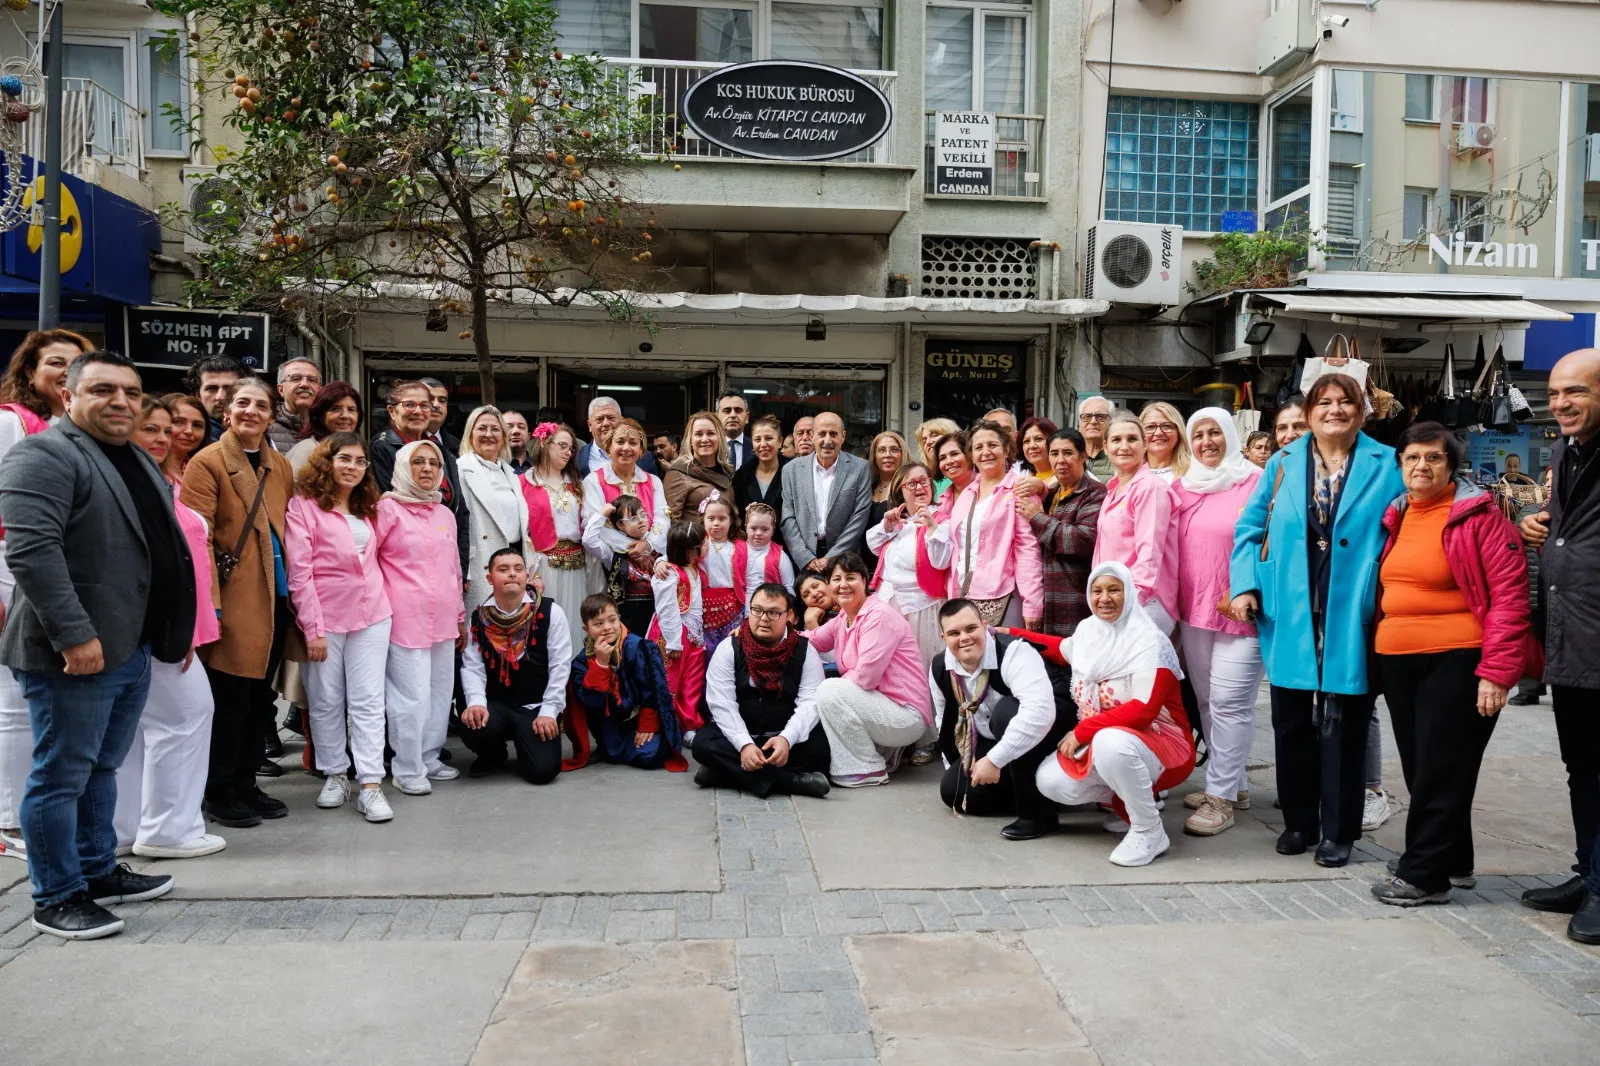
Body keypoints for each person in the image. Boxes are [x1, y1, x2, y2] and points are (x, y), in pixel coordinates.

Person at [0, 350, 194, 938]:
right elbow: (32, 551)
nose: (121, 402)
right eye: (104, 390)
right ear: (68, 396)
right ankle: (56, 895)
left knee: (100, 768)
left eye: (132, 393)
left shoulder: (131, 454)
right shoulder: (44, 453)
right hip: (76, 653)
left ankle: (95, 868)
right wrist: (75, 635)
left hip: (129, 645)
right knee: (61, 774)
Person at [1229, 373, 1404, 868]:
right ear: (1308, 412)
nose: (1333, 410)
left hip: (1355, 609)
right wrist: (1245, 583)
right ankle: (1300, 821)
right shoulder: (1283, 463)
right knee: (1290, 720)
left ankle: (1340, 830)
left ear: (1362, 411)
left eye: (1344, 402)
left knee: (1345, 724)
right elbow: (1250, 527)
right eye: (1323, 402)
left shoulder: (1387, 463)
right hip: (1291, 605)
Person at [1370, 423, 1538, 906]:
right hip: (1401, 662)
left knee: (1442, 767)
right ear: (1400, 465)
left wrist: (1497, 672)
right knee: (1426, 767)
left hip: (1459, 659)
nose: (1421, 466)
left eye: (1434, 458)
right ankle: (1453, 860)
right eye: (1412, 458)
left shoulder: (1482, 520)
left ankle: (1425, 875)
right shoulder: (1396, 515)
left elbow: (1510, 599)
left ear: (1452, 466)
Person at [180, 377, 299, 830]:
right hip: (233, 601)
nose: (252, 411)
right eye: (242, 403)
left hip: (275, 598)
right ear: (226, 413)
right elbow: (199, 540)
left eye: (261, 405)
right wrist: (211, 606)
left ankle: (247, 782)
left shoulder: (279, 466)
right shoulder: (207, 463)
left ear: (271, 415)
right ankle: (220, 788)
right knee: (228, 700)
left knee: (257, 700)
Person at [112, 398, 225, 860]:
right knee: (186, 717)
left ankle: (126, 829)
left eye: (169, 428)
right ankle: (168, 831)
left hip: (175, 626)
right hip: (157, 629)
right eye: (152, 428)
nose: (162, 437)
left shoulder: (164, 481)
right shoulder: (127, 483)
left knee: (138, 731)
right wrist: (169, 628)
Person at [1516, 347, 1600, 941]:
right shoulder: (1567, 452)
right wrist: (1540, 520)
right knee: (1581, 769)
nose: (1562, 403)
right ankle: (1588, 870)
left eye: (1578, 392)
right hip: (1573, 639)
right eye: (1556, 393)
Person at [1035, 563, 1196, 868]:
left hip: (1163, 742)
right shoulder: (1089, 632)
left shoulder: (1148, 640)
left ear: (1129, 593)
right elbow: (1059, 649)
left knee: (1110, 742)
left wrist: (1083, 731)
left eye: (1113, 589)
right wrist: (1005, 635)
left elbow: (1144, 710)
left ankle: (1149, 831)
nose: (1104, 598)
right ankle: (1129, 803)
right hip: (1115, 740)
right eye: (1097, 591)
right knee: (1050, 781)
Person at [0, 328, 90, 864]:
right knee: (13, 704)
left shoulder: (67, 431)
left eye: (75, 363)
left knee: (39, 709)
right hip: (13, 573)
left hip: (57, 577)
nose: (64, 372)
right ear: (30, 372)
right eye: (54, 362)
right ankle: (11, 820)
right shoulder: (12, 423)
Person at [285, 434, 395, 823]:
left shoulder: (372, 507)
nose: (352, 466)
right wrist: (312, 628)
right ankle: (334, 773)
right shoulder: (304, 507)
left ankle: (370, 783)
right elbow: (299, 573)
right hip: (325, 618)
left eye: (360, 461)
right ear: (326, 461)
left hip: (373, 614)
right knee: (327, 700)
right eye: (344, 458)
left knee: (367, 700)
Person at [1171, 408, 1263, 836]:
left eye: (1214, 433)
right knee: (1207, 701)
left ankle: (1219, 797)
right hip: (1194, 611)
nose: (1206, 442)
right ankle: (1235, 784)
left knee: (1230, 704)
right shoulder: (1182, 487)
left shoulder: (1255, 482)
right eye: (1198, 434)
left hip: (1240, 611)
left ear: (1230, 434)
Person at [932, 599, 1073, 840]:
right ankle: (1045, 793)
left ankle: (1037, 814)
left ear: (985, 626)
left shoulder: (1014, 652)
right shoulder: (940, 666)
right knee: (954, 791)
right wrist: (958, 766)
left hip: (1053, 725)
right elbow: (944, 721)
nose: (964, 637)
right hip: (996, 737)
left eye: (971, 629)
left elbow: (1039, 713)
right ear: (944, 638)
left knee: (1006, 714)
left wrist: (995, 761)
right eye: (954, 633)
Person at [374, 439, 465, 796]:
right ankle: (407, 766)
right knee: (409, 697)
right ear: (401, 467)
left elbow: (454, 569)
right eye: (418, 462)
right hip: (404, 618)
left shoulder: (444, 513)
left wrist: (460, 615)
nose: (426, 469)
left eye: (433, 462)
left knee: (439, 692)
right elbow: (370, 562)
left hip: (443, 618)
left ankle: (429, 756)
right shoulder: (387, 510)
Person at [694, 582, 831, 797]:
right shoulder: (729, 648)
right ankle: (791, 782)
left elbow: (810, 703)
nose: (764, 618)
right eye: (757, 610)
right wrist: (744, 745)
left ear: (789, 615)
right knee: (703, 744)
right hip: (742, 733)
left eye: (774, 612)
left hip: (783, 737)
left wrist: (786, 739)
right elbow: (722, 703)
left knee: (820, 750)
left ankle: (726, 774)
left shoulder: (805, 651)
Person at [808, 553, 932, 786]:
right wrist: (773, 635)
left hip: (905, 715)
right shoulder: (845, 617)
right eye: (836, 579)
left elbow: (865, 678)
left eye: (850, 578)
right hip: (881, 707)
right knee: (831, 689)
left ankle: (866, 767)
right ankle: (867, 759)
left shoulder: (878, 616)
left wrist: (836, 689)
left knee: (829, 689)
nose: (843, 585)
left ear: (865, 581)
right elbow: (812, 640)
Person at [459, 549, 573, 783]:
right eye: (503, 569)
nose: (512, 574)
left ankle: (527, 743)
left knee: (543, 771)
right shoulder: (479, 618)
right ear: (490, 579)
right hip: (497, 705)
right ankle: (493, 754)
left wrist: (549, 712)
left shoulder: (550, 612)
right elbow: (472, 667)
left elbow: (560, 666)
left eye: (518, 569)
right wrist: (477, 704)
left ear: (526, 575)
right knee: (472, 718)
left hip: (534, 706)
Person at [943, 420, 1045, 630]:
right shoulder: (967, 494)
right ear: (971, 454)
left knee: (1000, 659)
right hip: (962, 593)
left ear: (1006, 449)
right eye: (978, 447)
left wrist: (1032, 603)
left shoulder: (1019, 489)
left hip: (1003, 595)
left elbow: (1027, 550)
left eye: (993, 445)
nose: (986, 452)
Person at [568, 593, 685, 771]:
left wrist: (647, 725)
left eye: (612, 620)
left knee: (648, 755)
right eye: (598, 624)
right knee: (613, 752)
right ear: (586, 629)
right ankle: (612, 746)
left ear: (619, 618)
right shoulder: (582, 661)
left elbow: (653, 689)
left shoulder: (639, 647)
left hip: (640, 715)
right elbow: (592, 702)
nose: (607, 628)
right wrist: (600, 664)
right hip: (609, 720)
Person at [1092, 412, 1179, 634]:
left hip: (1142, 603)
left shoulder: (1150, 487)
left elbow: (1149, 555)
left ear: (1145, 443)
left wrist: (1133, 600)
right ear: (1105, 445)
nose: (1124, 446)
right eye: (1116, 440)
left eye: (1132, 439)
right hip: (1113, 600)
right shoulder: (1113, 489)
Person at [1016, 428, 1106, 639]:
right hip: (1046, 599)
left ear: (1082, 456)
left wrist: (1037, 518)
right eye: (1054, 453)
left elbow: (1083, 540)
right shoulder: (1050, 493)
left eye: (1068, 453)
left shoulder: (1094, 492)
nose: (1060, 460)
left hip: (1075, 598)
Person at [370, 379, 468, 570]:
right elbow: (393, 504)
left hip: (444, 554)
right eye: (409, 405)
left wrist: (462, 566)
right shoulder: (382, 448)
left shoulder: (441, 451)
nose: (418, 411)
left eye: (424, 405)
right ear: (392, 411)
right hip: (405, 558)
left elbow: (460, 511)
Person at [867, 463, 951, 661]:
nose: (920, 487)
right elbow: (873, 545)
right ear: (900, 490)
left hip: (921, 608)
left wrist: (931, 527)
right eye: (912, 484)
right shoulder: (899, 519)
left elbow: (941, 562)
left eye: (924, 481)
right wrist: (887, 526)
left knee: (921, 666)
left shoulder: (941, 519)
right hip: (887, 604)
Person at [517, 420, 588, 652]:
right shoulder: (525, 483)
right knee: (546, 627)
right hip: (543, 566)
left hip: (578, 566)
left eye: (571, 449)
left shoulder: (577, 485)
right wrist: (531, 570)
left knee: (575, 625)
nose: (568, 452)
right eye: (563, 446)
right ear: (545, 443)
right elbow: (522, 532)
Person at [457, 406, 533, 614]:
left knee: (511, 628)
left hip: (513, 560)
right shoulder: (460, 469)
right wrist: (464, 572)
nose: (489, 435)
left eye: (495, 429)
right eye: (482, 428)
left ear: (503, 436)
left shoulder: (509, 472)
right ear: (470, 434)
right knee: (482, 630)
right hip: (481, 563)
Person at [780, 412, 873, 575]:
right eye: (822, 434)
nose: (828, 441)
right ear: (813, 436)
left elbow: (860, 516)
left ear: (843, 437)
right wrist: (805, 558)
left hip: (845, 561)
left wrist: (832, 558)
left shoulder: (860, 468)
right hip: (805, 562)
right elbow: (788, 517)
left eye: (834, 434)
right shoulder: (791, 470)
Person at [583, 416, 670, 590]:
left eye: (633, 443)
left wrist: (648, 545)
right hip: (608, 561)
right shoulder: (594, 481)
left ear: (642, 449)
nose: (626, 448)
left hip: (651, 561)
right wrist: (635, 551)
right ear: (608, 447)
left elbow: (662, 519)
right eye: (620, 442)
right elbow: (595, 523)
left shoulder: (653, 481)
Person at [651, 521, 708, 737]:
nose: (706, 546)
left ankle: (689, 723)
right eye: (701, 544)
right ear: (687, 550)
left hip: (694, 633)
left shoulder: (693, 565)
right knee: (670, 678)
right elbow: (667, 609)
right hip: (675, 632)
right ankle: (665, 725)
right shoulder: (669, 574)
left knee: (692, 679)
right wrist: (674, 641)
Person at [601, 496, 659, 635]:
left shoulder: (657, 543)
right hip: (629, 616)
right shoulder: (614, 551)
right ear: (620, 525)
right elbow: (589, 540)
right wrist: (601, 515)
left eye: (642, 515)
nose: (640, 520)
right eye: (633, 518)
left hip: (657, 613)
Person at [665, 411, 734, 522]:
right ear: (690, 440)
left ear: (719, 438)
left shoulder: (726, 472)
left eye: (711, 433)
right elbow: (671, 523)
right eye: (699, 434)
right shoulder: (678, 473)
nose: (705, 439)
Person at [287, 382, 363, 474]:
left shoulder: (357, 452)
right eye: (335, 409)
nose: (345, 416)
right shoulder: (307, 450)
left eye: (351, 410)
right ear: (320, 415)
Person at [732, 414, 787, 541]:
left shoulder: (792, 471)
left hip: (785, 547)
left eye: (768, 438)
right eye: (757, 439)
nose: (763, 444)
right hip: (750, 547)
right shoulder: (742, 475)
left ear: (780, 441)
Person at [576, 396, 660, 478]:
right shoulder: (576, 458)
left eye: (611, 418)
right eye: (599, 419)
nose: (606, 423)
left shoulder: (645, 458)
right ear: (590, 425)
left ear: (621, 421)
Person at [863, 431, 908, 572]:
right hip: (864, 566)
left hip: (894, 570)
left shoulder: (907, 488)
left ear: (903, 454)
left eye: (894, 449)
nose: (887, 454)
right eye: (881, 450)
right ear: (874, 456)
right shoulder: (867, 487)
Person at [736, 503, 795, 606]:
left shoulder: (780, 556)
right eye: (753, 528)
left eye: (765, 529)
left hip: (771, 609)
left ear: (773, 530)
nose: (758, 533)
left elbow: (789, 589)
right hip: (740, 610)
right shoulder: (736, 552)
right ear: (746, 527)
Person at [182, 355, 244, 444]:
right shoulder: (186, 440)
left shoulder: (263, 440)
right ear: (198, 396)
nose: (220, 397)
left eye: (229, 389)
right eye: (212, 388)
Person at [267, 358, 322, 453]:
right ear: (281, 389)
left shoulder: (328, 426)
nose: (304, 384)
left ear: (320, 389)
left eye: (312, 380)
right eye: (295, 378)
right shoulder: (265, 425)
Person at [160, 393, 210, 482]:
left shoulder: (204, 470)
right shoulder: (149, 469)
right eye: (178, 422)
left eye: (197, 425)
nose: (189, 431)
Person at [1140, 401, 1191, 485]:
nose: (1158, 433)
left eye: (1167, 426)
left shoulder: (1194, 473)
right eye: (1150, 427)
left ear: (1179, 432)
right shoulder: (1129, 473)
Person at [913, 418, 960, 500]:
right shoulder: (923, 480)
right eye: (924, 441)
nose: (928, 442)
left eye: (934, 435)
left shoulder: (966, 473)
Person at [934, 431, 976, 515]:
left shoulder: (986, 487)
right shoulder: (942, 499)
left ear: (969, 455)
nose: (948, 461)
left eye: (954, 454)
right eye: (942, 458)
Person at [1077, 396, 1114, 480]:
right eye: (1087, 416)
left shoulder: (1118, 457)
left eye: (1100, 417)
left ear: (1111, 423)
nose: (1093, 421)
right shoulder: (1071, 455)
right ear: (1080, 423)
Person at [419, 377, 459, 453]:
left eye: (442, 400)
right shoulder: (396, 443)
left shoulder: (459, 446)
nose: (436, 405)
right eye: (430, 399)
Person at [1015, 417, 1057, 484]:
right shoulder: (1020, 479)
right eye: (1026, 441)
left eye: (1039, 439)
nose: (1032, 446)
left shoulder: (1063, 480)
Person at [717, 391, 752, 470]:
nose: (733, 415)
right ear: (717, 417)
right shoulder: (709, 447)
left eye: (738, 410)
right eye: (726, 410)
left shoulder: (756, 448)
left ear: (747, 417)